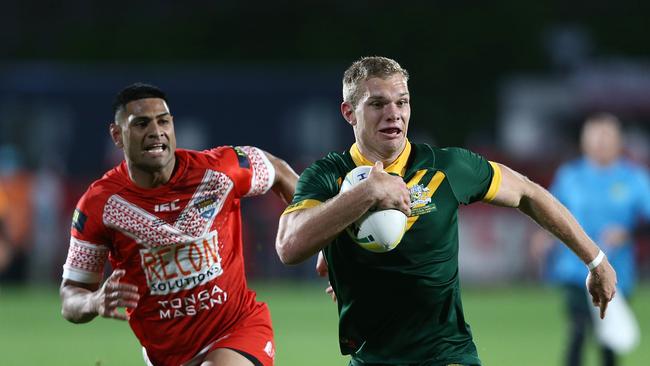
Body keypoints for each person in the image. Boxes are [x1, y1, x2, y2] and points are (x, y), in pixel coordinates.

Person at [275, 56, 617, 365]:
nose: (393, 113)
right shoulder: (326, 176)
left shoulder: (445, 168)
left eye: (402, 102)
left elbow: (527, 192)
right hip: (370, 358)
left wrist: (596, 260)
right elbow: (289, 245)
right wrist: (366, 194)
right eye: (377, 103)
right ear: (349, 112)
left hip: (445, 355)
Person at [60, 83, 298, 366]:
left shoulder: (219, 172)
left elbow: (278, 171)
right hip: (166, 354)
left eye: (163, 121)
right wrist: (94, 301)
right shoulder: (99, 205)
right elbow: (70, 296)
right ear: (117, 135)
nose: (155, 131)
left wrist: (315, 235)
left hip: (237, 328)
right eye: (141, 124)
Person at [534, 114, 650, 366]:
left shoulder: (635, 178)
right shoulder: (570, 175)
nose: (600, 142)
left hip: (616, 272)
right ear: (584, 141)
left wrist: (627, 232)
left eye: (606, 136)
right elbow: (549, 212)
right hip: (575, 269)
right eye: (594, 136)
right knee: (578, 329)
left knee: (609, 338)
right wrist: (544, 237)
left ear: (619, 141)